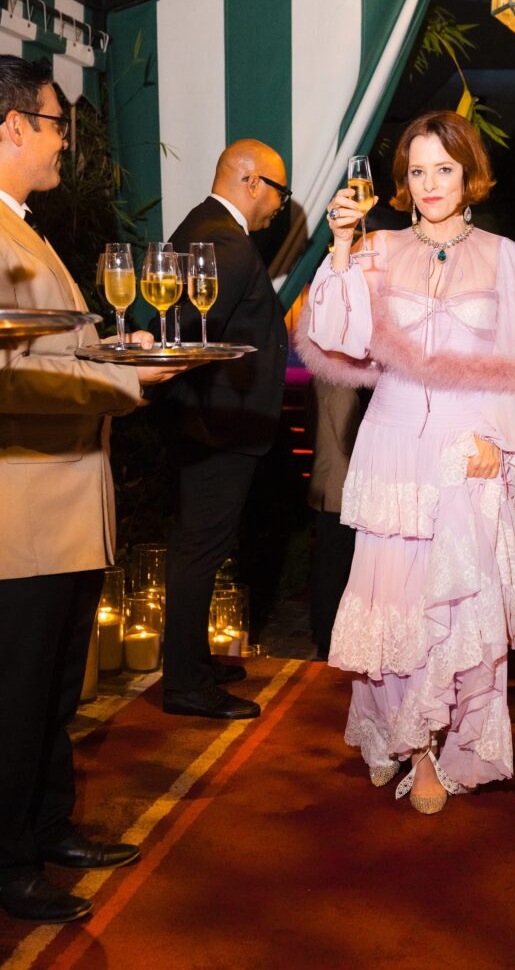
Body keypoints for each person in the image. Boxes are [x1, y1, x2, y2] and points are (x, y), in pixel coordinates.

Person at [296, 111, 515, 813]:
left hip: (465, 449)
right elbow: (333, 340)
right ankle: (408, 744)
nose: (429, 184)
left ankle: (447, 745)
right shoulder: (377, 248)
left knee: (452, 607)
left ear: (469, 173)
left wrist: (501, 443)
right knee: (394, 601)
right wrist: (338, 244)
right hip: (393, 442)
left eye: (443, 169)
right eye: (416, 171)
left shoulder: (505, 256)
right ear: (401, 181)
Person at [0, 56, 183, 924]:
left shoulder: (23, 226)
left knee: (55, 689)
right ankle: (10, 862)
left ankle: (47, 826)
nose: (64, 141)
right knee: (17, 694)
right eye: (55, 123)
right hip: (23, 512)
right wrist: (125, 381)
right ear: (10, 127)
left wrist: (116, 348)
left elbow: (49, 354)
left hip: (65, 504)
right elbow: (11, 382)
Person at [156, 140, 289, 720]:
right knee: (198, 553)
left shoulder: (199, 224)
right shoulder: (227, 244)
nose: (282, 206)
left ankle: (192, 660)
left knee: (195, 549)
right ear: (252, 182)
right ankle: (186, 683)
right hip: (218, 428)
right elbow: (181, 336)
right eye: (280, 192)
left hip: (203, 424)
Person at [306, 377, 364, 659]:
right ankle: (329, 636)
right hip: (340, 490)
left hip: (324, 482)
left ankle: (322, 631)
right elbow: (348, 442)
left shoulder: (319, 382)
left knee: (326, 566)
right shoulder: (344, 389)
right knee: (335, 569)